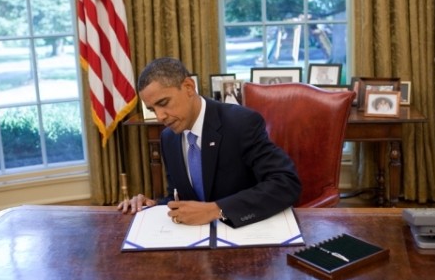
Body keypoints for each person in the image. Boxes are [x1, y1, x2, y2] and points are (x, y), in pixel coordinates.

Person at [118, 57, 301, 228]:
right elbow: (179, 196)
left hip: (243, 234)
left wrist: (216, 210)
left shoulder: (241, 122)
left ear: (189, 87)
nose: (159, 116)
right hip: (194, 241)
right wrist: (153, 204)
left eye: (164, 103)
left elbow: (285, 183)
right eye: (152, 109)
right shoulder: (168, 138)